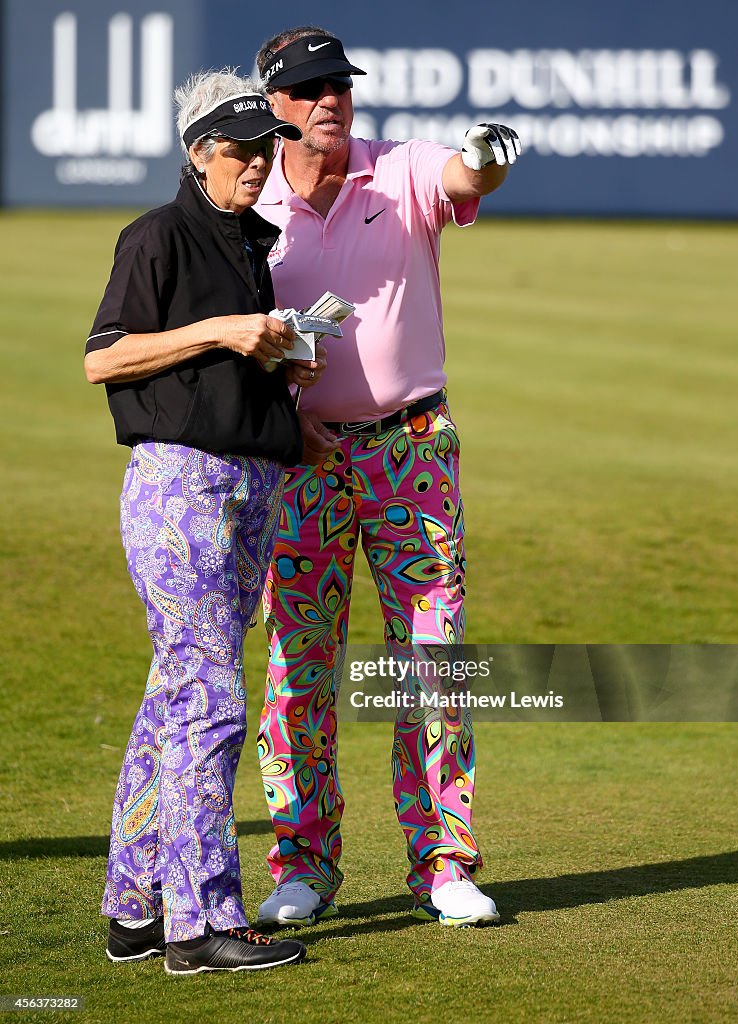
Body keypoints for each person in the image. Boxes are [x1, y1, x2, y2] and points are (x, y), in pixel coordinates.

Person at [251, 27, 522, 929]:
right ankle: (303, 862)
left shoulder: (397, 169)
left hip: (409, 447)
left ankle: (444, 863)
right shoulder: (251, 208)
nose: (331, 99)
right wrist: (283, 422)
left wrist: (485, 156)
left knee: (433, 661)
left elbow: (463, 175)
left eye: (339, 84)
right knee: (298, 664)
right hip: (300, 462)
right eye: (310, 88)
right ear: (275, 106)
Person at [86, 69, 326, 975]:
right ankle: (200, 925)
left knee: (175, 702)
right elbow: (103, 357)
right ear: (197, 153)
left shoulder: (246, 241)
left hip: (246, 486)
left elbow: (219, 365)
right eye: (240, 151)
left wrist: (280, 368)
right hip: (182, 489)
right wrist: (226, 332)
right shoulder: (159, 234)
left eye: (267, 151)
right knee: (213, 701)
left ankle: (134, 908)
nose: (258, 166)